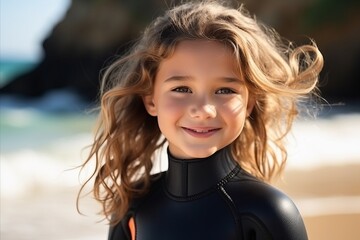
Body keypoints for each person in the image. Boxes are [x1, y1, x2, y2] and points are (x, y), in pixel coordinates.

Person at [78, 1, 323, 239]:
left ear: (249, 103)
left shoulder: (268, 211)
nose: (204, 109)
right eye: (182, 89)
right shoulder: (132, 206)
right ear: (151, 100)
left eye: (225, 91)